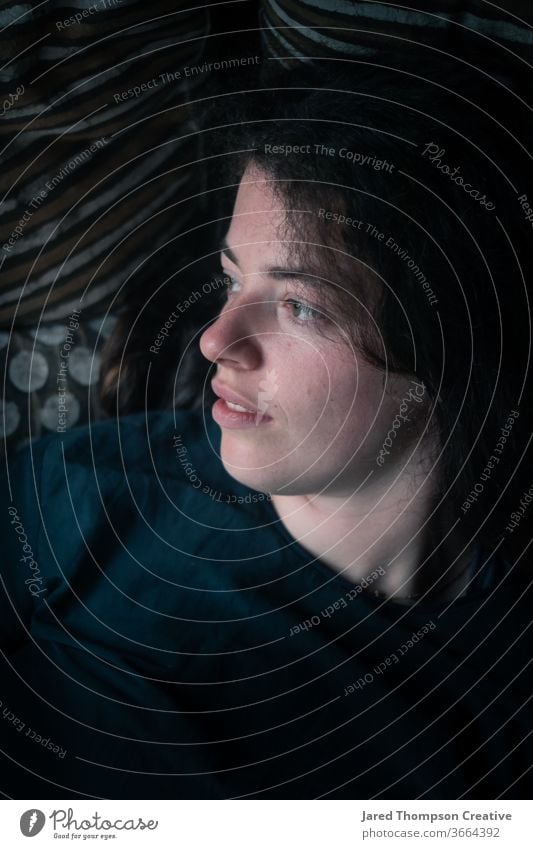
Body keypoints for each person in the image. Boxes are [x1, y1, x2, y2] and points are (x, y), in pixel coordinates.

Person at [0, 64, 532, 800]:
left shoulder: (501, 694)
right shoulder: (89, 486)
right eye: (231, 280)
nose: (216, 340)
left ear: (450, 346)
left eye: (300, 307)